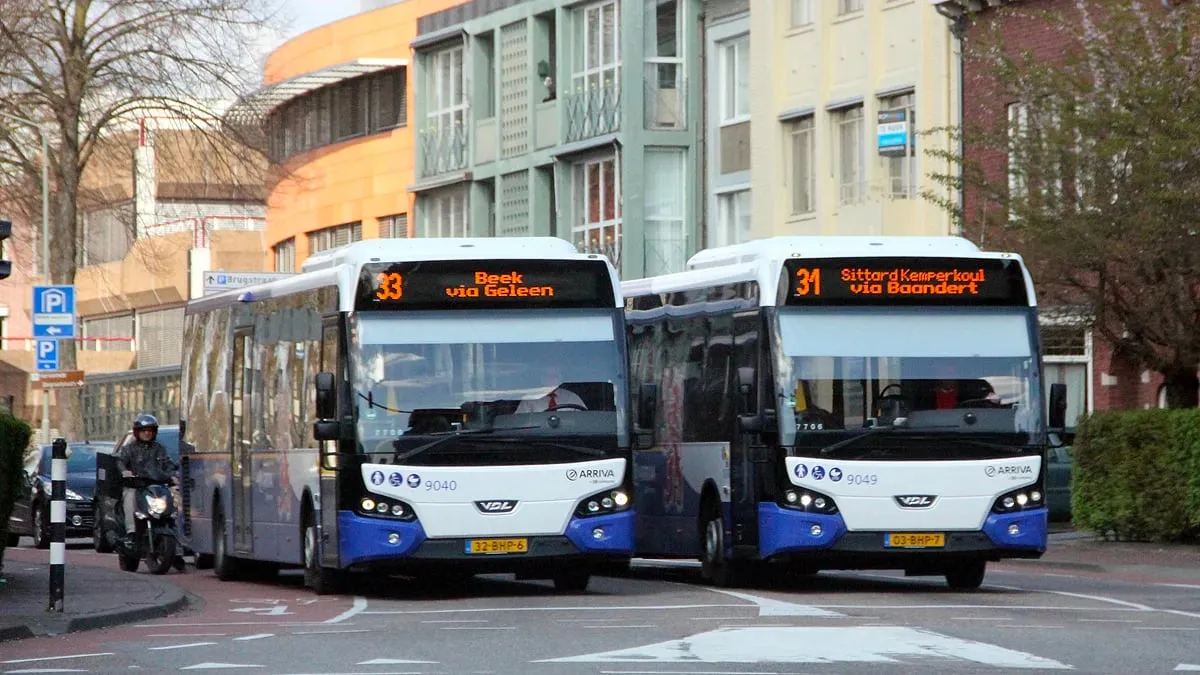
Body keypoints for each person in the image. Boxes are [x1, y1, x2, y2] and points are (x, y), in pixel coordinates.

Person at [118, 414, 176, 542]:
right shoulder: (129, 449)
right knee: (129, 498)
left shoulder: (159, 448)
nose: (147, 433)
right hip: (136, 485)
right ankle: (131, 532)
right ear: (137, 432)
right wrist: (125, 471)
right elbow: (121, 461)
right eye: (144, 431)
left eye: (150, 431)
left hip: (154, 486)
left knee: (173, 499)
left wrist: (173, 474)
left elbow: (168, 463)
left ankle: (174, 529)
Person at [515, 365, 587, 413]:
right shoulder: (530, 399)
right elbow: (519, 422)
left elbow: (584, 419)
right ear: (541, 378)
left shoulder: (572, 397)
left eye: (554, 376)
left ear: (561, 378)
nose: (551, 378)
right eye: (547, 375)